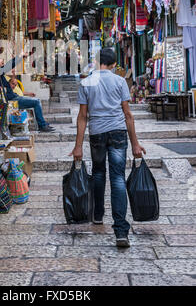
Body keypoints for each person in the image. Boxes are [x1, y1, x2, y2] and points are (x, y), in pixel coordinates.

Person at [69, 48, 146, 248]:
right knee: (118, 178)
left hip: (97, 134)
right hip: (119, 133)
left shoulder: (86, 82)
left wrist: (78, 147)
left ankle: (97, 214)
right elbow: (128, 115)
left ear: (96, 62)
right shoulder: (120, 82)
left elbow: (82, 117)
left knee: (98, 173)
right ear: (113, 64)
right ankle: (121, 231)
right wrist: (135, 143)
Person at [0, 52, 55, 133]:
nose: (3, 63)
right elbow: (9, 65)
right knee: (36, 102)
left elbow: (9, 67)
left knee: (37, 100)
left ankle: (43, 124)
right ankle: (42, 125)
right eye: (1, 62)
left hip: (15, 97)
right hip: (13, 100)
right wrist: (19, 57)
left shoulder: (0, 74)